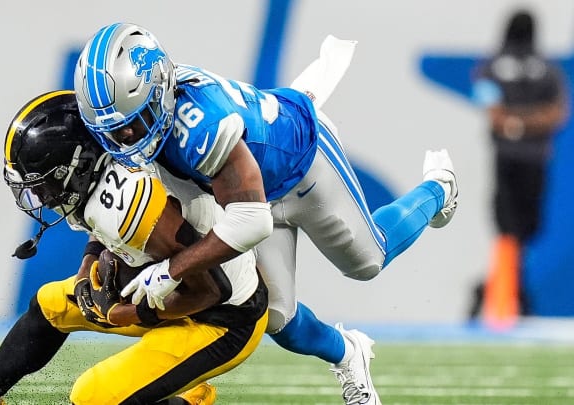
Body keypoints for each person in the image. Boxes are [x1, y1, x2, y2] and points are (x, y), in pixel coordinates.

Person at [74, 23, 459, 404]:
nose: (126, 139)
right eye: (114, 131)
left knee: (368, 262)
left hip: (303, 166)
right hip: (248, 196)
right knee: (277, 317)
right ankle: (348, 352)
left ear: (158, 90)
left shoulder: (199, 126)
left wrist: (170, 271)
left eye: (132, 124)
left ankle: (439, 188)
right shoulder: (149, 118)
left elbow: (252, 220)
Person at [0, 90, 269, 405]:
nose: (37, 195)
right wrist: (87, 269)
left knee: (93, 397)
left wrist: (129, 313)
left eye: (40, 184)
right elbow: (100, 225)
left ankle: (187, 401)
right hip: (175, 292)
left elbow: (211, 289)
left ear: (74, 166)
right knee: (52, 304)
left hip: (223, 319)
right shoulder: (99, 174)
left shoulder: (131, 202)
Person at [469, 9, 568, 320]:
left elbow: (494, 113)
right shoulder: (548, 71)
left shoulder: (491, 68)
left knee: (507, 227)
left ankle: (497, 292)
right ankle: (507, 295)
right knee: (522, 228)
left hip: (507, 158)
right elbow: (557, 114)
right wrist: (531, 123)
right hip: (535, 158)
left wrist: (514, 125)